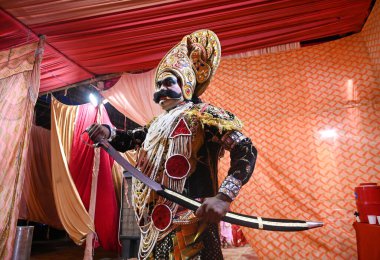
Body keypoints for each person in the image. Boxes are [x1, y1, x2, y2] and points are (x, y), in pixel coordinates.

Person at [87, 29, 257, 260]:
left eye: (167, 82)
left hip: (192, 218)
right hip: (154, 222)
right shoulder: (157, 124)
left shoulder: (204, 114)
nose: (159, 92)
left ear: (187, 82)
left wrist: (224, 197)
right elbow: (130, 139)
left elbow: (244, 148)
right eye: (157, 86)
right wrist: (108, 131)